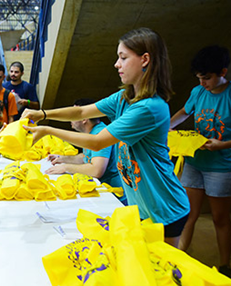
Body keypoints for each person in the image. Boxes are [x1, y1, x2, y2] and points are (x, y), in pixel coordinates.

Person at [23, 29, 190, 246]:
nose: (116, 64)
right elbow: (81, 112)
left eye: (123, 58)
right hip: (140, 206)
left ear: (144, 60)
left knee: (163, 271)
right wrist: (43, 114)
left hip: (164, 207)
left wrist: (48, 129)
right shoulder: (123, 97)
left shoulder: (150, 108)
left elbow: (98, 141)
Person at [169, 45, 231, 278]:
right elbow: (184, 112)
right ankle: (178, 256)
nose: (202, 83)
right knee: (188, 213)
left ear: (223, 72)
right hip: (195, 162)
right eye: (199, 78)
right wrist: (164, 127)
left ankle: (225, 265)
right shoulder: (198, 92)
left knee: (219, 217)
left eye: (207, 78)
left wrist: (223, 144)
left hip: (222, 166)